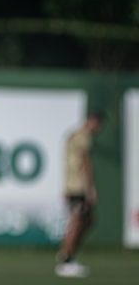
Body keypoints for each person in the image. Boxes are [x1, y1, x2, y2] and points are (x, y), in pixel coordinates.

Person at [55, 111, 104, 278]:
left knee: (88, 220)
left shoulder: (73, 135)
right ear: (93, 121)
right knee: (76, 222)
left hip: (72, 185)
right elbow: (84, 162)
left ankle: (68, 253)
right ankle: (66, 260)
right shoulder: (83, 136)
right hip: (78, 187)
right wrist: (90, 187)